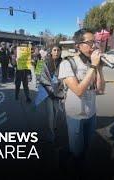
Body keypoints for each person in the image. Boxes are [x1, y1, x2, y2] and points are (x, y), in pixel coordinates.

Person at [58, 29, 105, 158]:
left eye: (94, 42)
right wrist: (93, 67)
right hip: (75, 115)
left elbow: (100, 90)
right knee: (76, 150)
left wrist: (99, 69)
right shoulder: (67, 63)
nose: (94, 46)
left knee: (87, 146)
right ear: (78, 45)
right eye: (90, 42)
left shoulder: (92, 64)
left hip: (91, 113)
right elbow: (78, 91)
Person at [37, 45, 65, 142]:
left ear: (61, 51)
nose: (56, 52)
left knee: (56, 111)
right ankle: (51, 132)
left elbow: (67, 77)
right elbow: (39, 76)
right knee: (50, 113)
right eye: (54, 50)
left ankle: (54, 126)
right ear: (51, 51)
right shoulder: (43, 62)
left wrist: (62, 87)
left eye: (58, 50)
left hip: (59, 92)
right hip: (47, 91)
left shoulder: (64, 63)